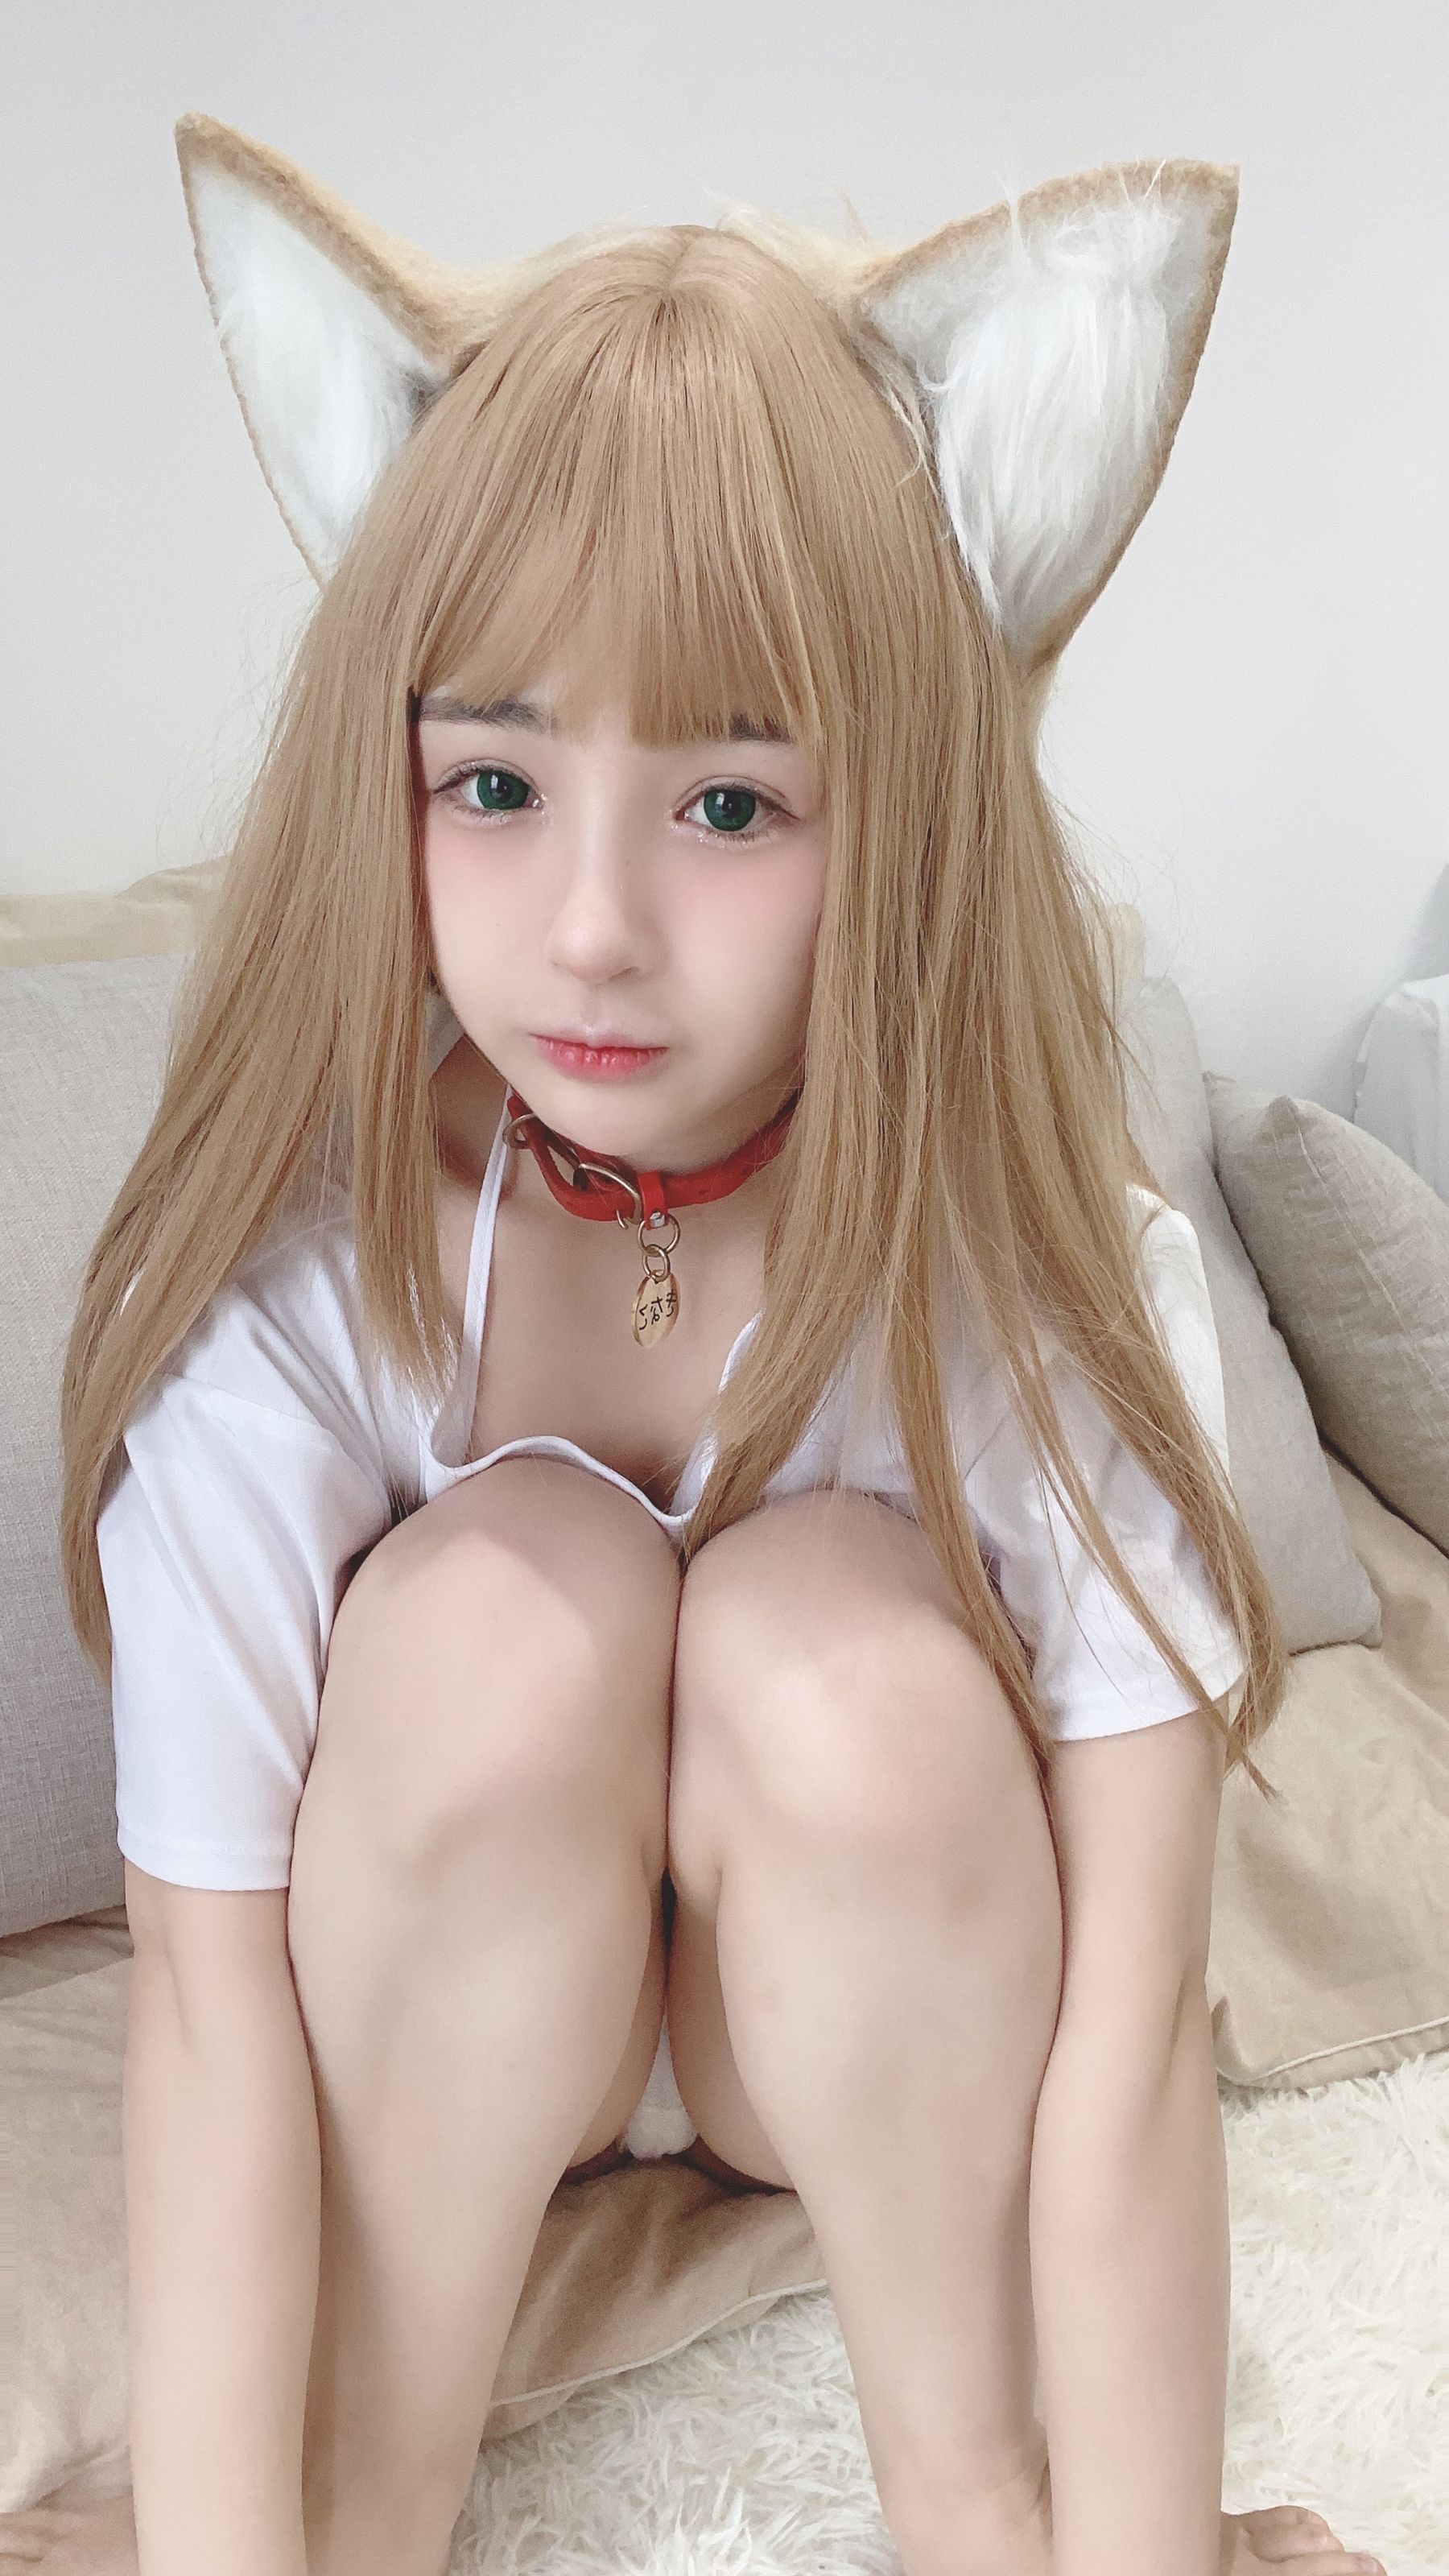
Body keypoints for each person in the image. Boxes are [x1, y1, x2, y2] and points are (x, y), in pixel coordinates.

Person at [15, 110, 1386, 2576]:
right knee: (504, 1601)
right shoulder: (304, 1286)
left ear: (910, 816)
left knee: (825, 1633)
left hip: (836, 2024)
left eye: (733, 806)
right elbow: (214, 2019)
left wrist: (1106, 2531)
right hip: (465, 2014)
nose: (591, 932)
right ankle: (381, 2477)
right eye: (495, 782)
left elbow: (1125, 2043)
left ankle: (967, 2492)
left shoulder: (1044, 1292)